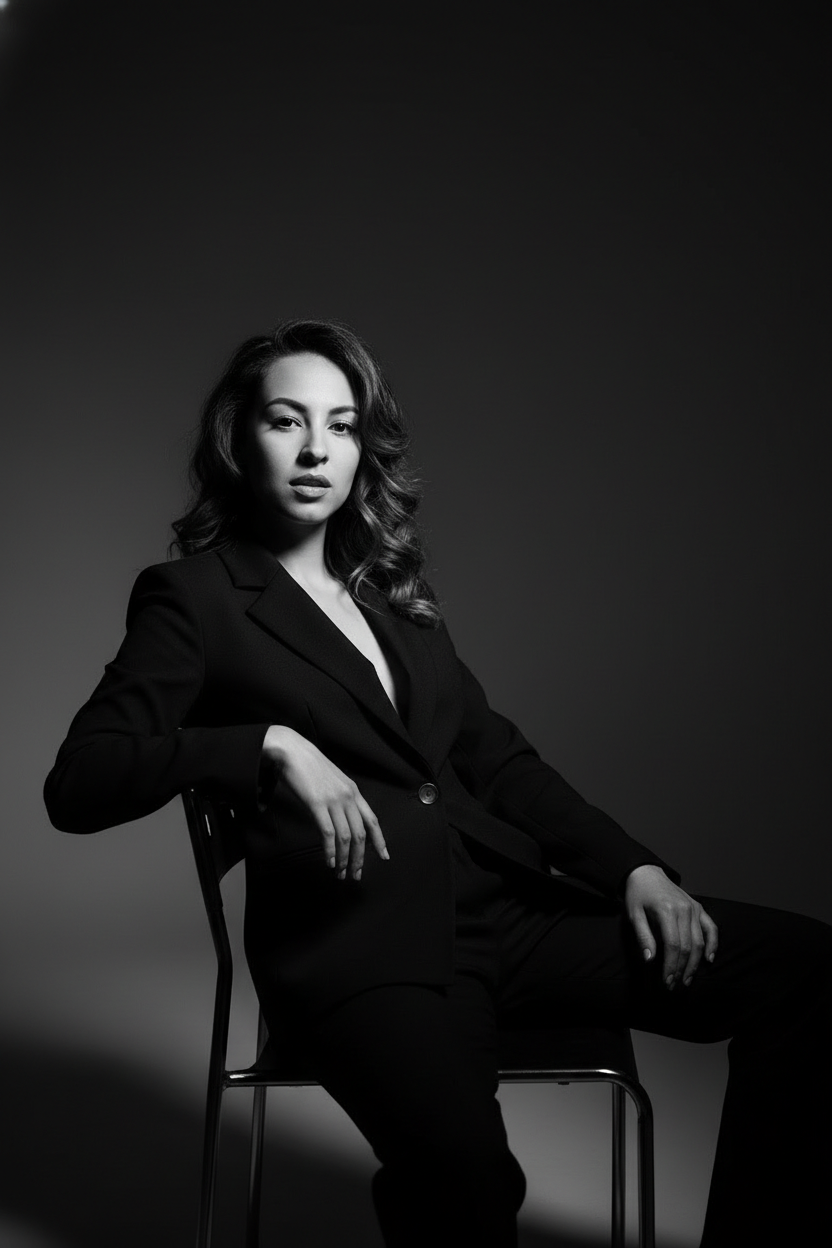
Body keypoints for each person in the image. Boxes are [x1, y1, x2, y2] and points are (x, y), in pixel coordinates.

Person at [44, 319, 830, 1246]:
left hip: (503, 920)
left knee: (807, 973)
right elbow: (81, 782)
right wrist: (265, 746)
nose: (314, 450)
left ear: (361, 450)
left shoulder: (388, 594)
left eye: (340, 426)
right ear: (237, 439)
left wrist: (635, 870)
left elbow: (499, 761)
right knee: (469, 1184)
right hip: (363, 953)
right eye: (286, 421)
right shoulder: (196, 599)